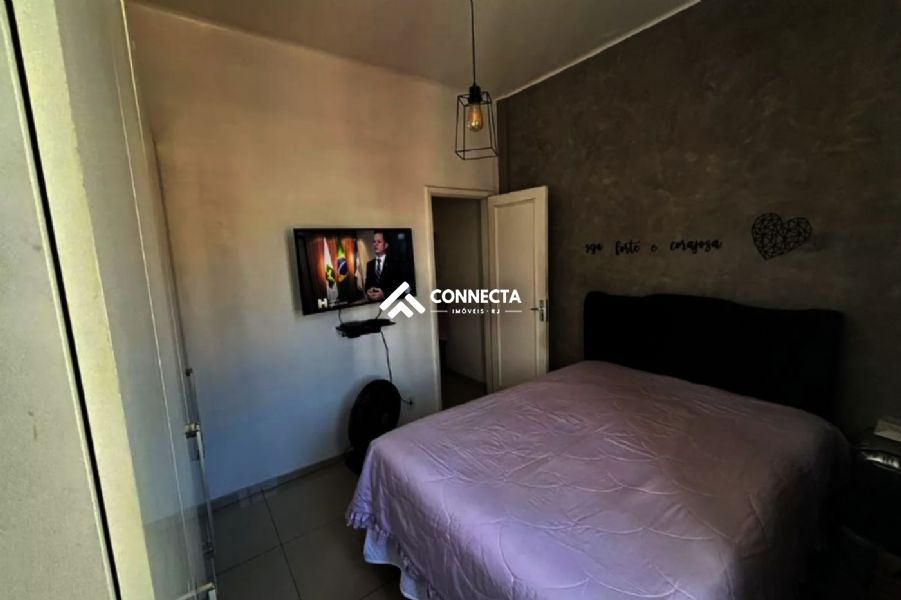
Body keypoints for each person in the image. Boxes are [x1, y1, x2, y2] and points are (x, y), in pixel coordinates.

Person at [364, 231, 404, 301]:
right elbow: (367, 285)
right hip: (373, 304)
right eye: (374, 242)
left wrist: (384, 294)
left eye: (379, 242)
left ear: (386, 245)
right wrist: (368, 291)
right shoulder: (369, 264)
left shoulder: (395, 264)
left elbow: (401, 288)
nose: (375, 244)